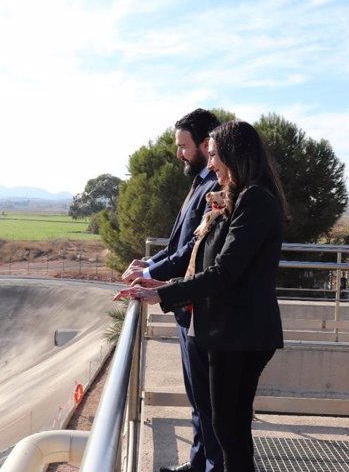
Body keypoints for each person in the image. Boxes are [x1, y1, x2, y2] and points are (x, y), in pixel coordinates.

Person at [115, 120, 288, 472]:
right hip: (229, 332)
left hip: (238, 334)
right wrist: (161, 284)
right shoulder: (240, 197)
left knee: (228, 431)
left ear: (235, 156)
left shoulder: (254, 200)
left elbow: (225, 272)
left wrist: (164, 294)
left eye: (214, 156)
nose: (210, 165)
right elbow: (203, 258)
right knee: (229, 430)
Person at [122, 108, 223, 472]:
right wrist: (147, 266)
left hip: (197, 306)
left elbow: (188, 255)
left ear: (205, 143)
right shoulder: (198, 184)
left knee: (208, 403)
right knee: (198, 400)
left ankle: (209, 467)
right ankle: (198, 465)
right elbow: (177, 244)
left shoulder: (214, 189)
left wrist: (153, 273)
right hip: (186, 305)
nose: (178, 153)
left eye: (184, 145)